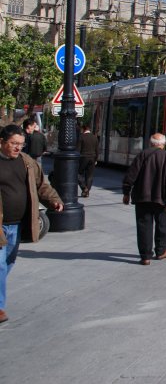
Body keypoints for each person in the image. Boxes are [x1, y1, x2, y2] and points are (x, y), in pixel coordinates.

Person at [0, 124, 64, 324]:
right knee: (0, 266)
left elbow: (41, 185)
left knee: (9, 262)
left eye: (21, 144)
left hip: (18, 224)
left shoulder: (27, 162)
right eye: (13, 144)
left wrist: (54, 200)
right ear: (1, 142)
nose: (18, 148)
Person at [122, 133, 166, 266]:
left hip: (142, 197)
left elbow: (130, 176)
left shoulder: (142, 154)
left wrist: (126, 192)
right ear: (163, 144)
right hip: (161, 198)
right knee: (162, 223)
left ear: (151, 143)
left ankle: (145, 257)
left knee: (143, 225)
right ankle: (161, 251)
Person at [77, 125, 100, 198]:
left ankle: (84, 188)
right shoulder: (94, 137)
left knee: (78, 174)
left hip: (83, 158)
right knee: (89, 176)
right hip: (92, 158)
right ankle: (87, 192)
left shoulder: (81, 137)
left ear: (84, 129)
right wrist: (96, 159)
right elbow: (97, 150)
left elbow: (78, 150)